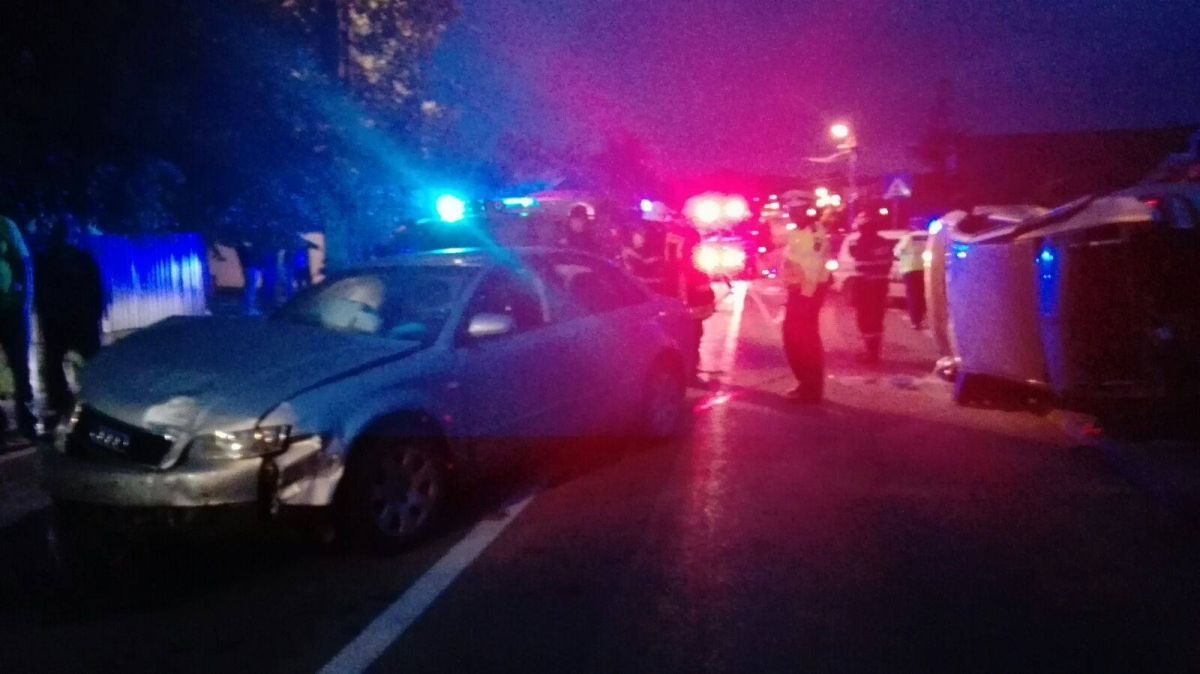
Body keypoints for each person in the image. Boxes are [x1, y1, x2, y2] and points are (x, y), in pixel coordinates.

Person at [35, 217, 103, 421]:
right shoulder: (82, 259)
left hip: (59, 321)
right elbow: (96, 290)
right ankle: (93, 400)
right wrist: (96, 314)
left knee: (56, 365)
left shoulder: (47, 260)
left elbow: (40, 293)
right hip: (79, 320)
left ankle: (61, 404)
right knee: (90, 362)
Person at [780, 207, 832, 403]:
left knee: (804, 342)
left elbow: (813, 266)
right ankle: (805, 384)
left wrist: (804, 297)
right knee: (793, 340)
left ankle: (811, 389)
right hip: (798, 293)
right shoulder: (799, 233)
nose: (792, 216)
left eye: (796, 211)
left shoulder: (815, 235)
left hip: (806, 294)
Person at [0, 214, 36, 439]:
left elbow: (24, 264)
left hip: (11, 310)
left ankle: (27, 419)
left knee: (20, 367)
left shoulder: (5, 226)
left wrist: (24, 302)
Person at [848, 212, 893, 364]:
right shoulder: (885, 243)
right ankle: (874, 351)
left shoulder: (859, 243)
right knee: (877, 318)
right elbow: (888, 262)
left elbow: (859, 263)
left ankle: (870, 353)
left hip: (865, 285)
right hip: (881, 285)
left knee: (865, 318)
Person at [894, 232, 927, 329]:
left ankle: (915, 321)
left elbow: (897, 253)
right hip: (923, 270)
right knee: (921, 295)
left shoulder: (907, 238)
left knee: (913, 296)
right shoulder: (925, 238)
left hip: (909, 270)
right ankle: (921, 318)